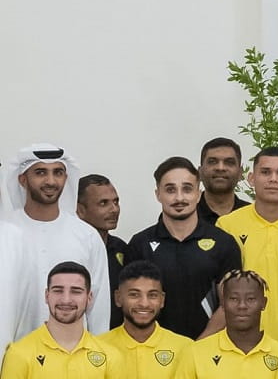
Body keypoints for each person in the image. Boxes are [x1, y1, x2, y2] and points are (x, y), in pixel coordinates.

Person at [127, 156, 243, 339]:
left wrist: (197, 348)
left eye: (187, 189)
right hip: (154, 353)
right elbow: (132, 304)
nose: (179, 198)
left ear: (198, 193)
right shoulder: (140, 244)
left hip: (206, 351)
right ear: (158, 194)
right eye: (170, 190)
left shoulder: (224, 243)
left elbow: (230, 304)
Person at [3, 144, 113, 334]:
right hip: (14, 355)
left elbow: (99, 305)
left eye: (58, 173)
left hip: (73, 356)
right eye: (40, 172)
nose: (51, 181)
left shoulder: (86, 236)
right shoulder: (5, 233)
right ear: (22, 180)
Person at [217, 147, 278, 344]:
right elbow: (221, 291)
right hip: (239, 345)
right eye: (265, 172)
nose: (273, 179)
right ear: (251, 178)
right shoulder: (227, 225)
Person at [76, 175, 128, 325]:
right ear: (80, 209)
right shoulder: (71, 250)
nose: (114, 209)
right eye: (103, 203)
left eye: (116, 202)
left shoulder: (122, 248)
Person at [196, 137, 249, 224]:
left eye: (229, 162)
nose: (220, 168)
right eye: (212, 162)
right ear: (200, 172)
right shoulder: (185, 216)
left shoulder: (255, 217)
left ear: (240, 173)